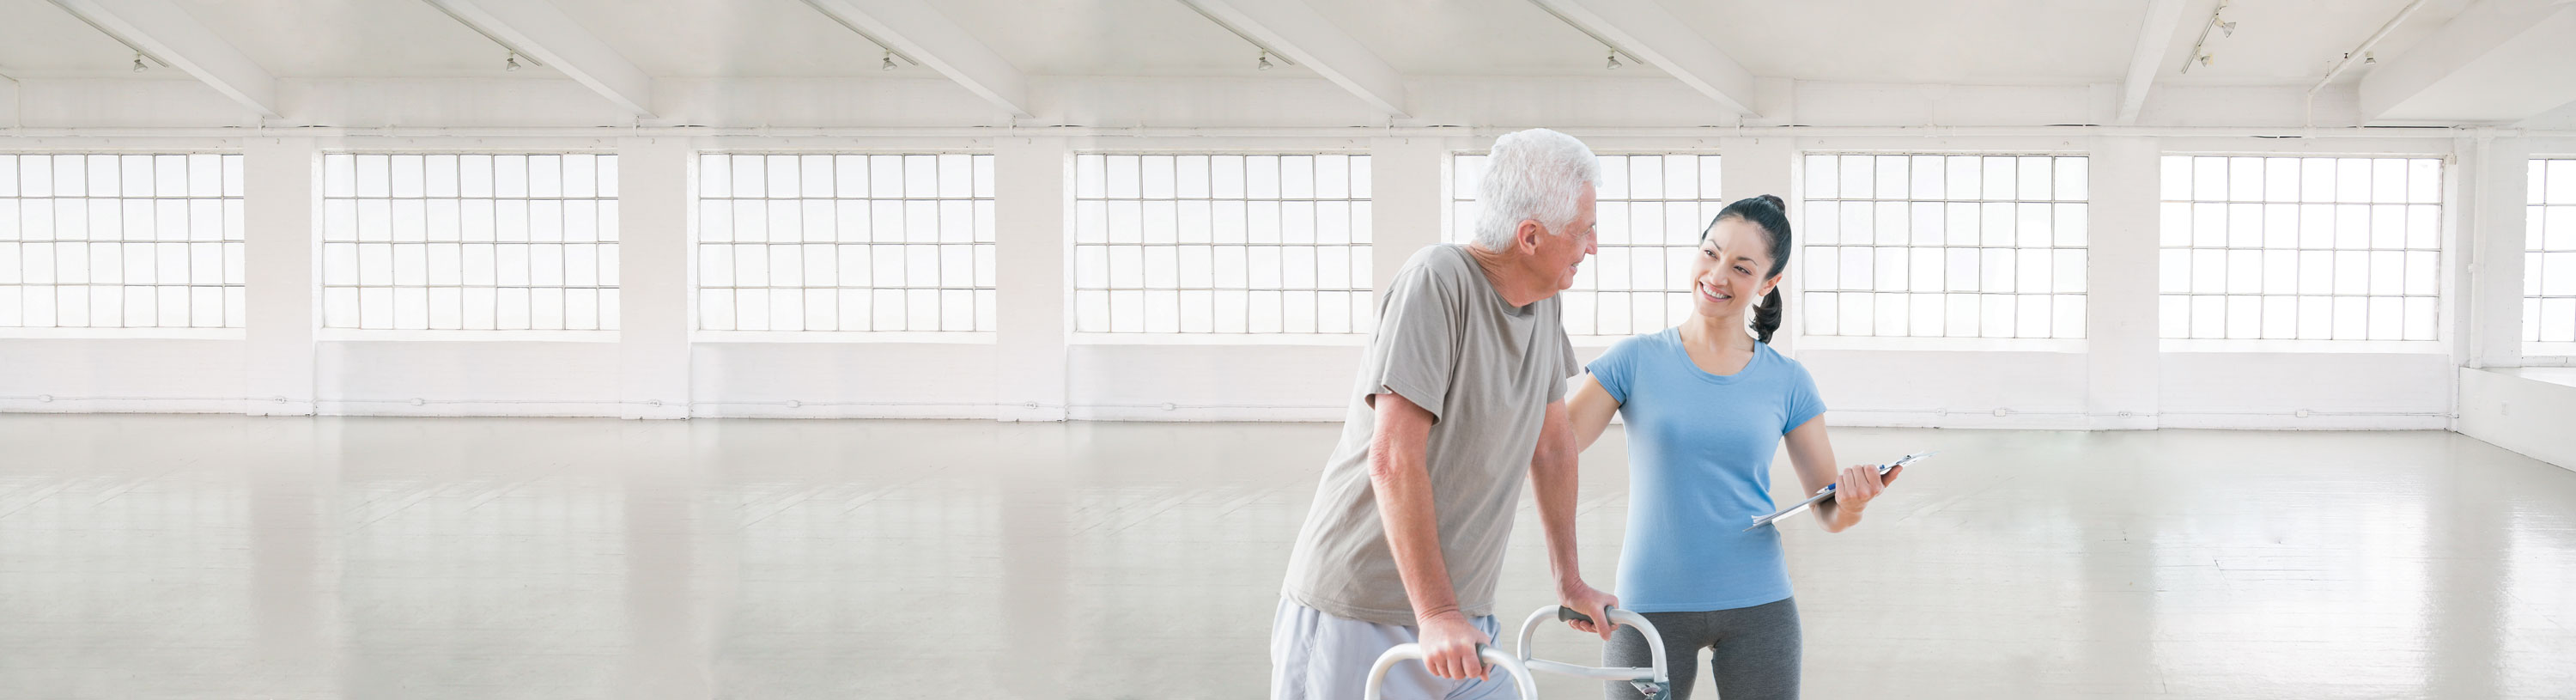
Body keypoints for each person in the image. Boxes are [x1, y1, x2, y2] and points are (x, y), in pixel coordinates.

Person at [1272, 128, 1619, 700]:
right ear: (1529, 236)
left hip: (1463, 618)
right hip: (1361, 613)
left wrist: (1570, 580)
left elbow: (1553, 446)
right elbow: (1393, 456)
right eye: (1585, 231)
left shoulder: (1544, 302)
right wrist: (1434, 610)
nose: (1594, 246)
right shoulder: (1438, 281)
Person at [1565, 195, 1902, 700]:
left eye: (1741, 268)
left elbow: (1829, 511)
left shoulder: (1789, 381)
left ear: (1768, 284)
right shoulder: (1633, 360)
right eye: (1710, 253)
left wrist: (1851, 503)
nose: (1717, 275)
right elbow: (1551, 450)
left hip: (1760, 606)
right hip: (1648, 606)